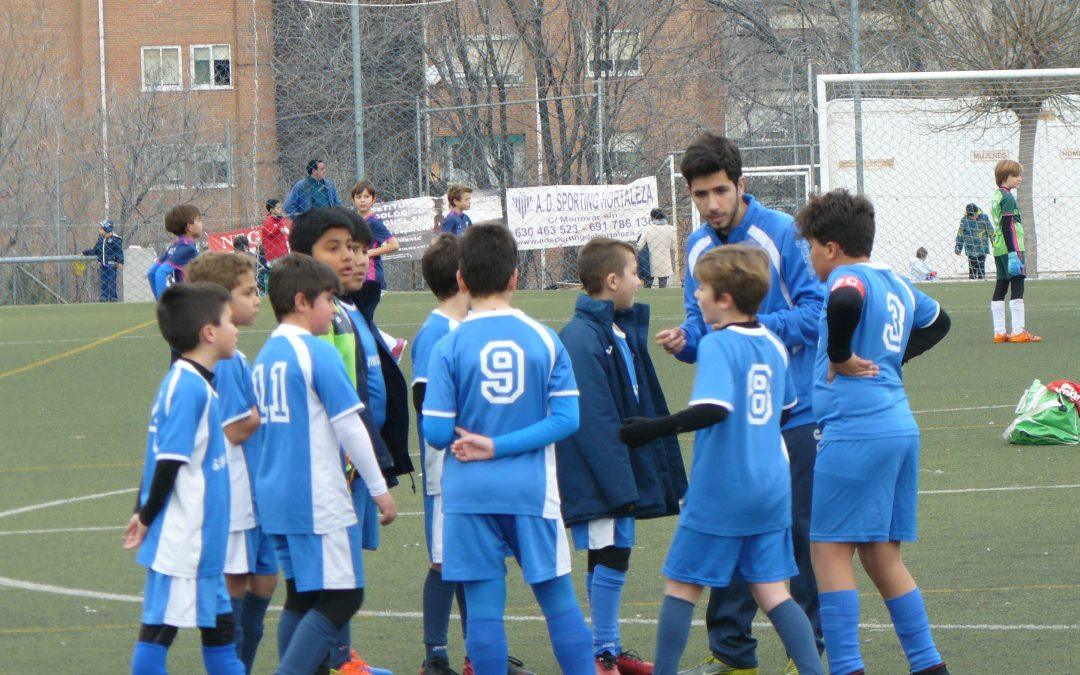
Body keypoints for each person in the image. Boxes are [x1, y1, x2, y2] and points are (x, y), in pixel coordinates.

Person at [654, 133, 824, 675]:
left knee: (797, 533)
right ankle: (731, 652)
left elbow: (817, 312)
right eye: (700, 195)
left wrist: (753, 330)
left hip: (789, 413)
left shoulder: (780, 231)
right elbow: (697, 322)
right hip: (727, 424)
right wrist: (688, 340)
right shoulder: (697, 246)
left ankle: (812, 650)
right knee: (725, 541)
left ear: (741, 183)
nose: (711, 205)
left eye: (720, 191)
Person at [620, 246, 824, 675]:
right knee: (772, 591)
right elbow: (784, 409)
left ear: (725, 298)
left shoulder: (718, 345)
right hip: (771, 486)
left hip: (723, 489)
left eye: (702, 289)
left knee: (681, 587)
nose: (696, 296)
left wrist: (652, 428)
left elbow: (714, 409)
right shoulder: (772, 343)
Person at [422, 225, 594, 675]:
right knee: (558, 600)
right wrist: (501, 445)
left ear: (461, 280)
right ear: (515, 277)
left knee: (483, 610)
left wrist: (479, 439)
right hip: (532, 492)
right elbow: (567, 420)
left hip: (468, 495)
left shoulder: (448, 346)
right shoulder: (543, 338)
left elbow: (437, 433)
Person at [797, 189, 952, 675]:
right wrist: (892, 360)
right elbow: (940, 321)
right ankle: (929, 667)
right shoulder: (898, 282)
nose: (809, 256)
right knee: (882, 559)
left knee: (827, 550)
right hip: (898, 426)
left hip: (856, 430)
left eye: (811, 246)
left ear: (831, 247)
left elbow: (844, 300)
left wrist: (841, 357)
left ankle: (845, 668)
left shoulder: (847, 276)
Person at [253, 253, 397, 675]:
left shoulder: (266, 355)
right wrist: (379, 490)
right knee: (343, 597)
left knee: (302, 595)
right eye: (327, 300)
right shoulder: (316, 353)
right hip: (314, 496)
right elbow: (351, 427)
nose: (333, 309)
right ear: (302, 301)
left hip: (275, 497)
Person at [288, 208, 413, 674]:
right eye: (335, 248)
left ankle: (339, 658)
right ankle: (334, 663)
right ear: (305, 258)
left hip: (360, 464)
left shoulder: (350, 310)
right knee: (336, 578)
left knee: (344, 572)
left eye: (358, 248)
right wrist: (349, 466)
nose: (353, 259)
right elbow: (336, 406)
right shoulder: (326, 322)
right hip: (340, 469)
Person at [556, 237, 687, 674]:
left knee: (614, 547)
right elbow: (592, 418)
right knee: (610, 550)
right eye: (634, 272)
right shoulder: (580, 336)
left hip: (617, 466)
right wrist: (619, 484)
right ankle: (602, 652)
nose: (641, 280)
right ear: (612, 281)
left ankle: (606, 645)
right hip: (598, 471)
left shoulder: (616, 329)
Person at [123, 282, 246, 675]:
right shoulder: (187, 387)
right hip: (184, 539)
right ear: (209, 333)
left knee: (221, 630)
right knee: (159, 631)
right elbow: (167, 462)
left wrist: (141, 507)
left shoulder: (194, 382)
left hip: (204, 539)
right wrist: (146, 516)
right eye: (229, 321)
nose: (236, 329)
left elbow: (160, 455)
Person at [185, 253, 277, 674]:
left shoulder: (232, 355)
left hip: (253, 493)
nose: (258, 300)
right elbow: (237, 427)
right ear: (221, 303)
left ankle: (243, 664)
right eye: (248, 292)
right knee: (234, 593)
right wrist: (262, 414)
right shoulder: (223, 359)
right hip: (234, 495)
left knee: (264, 581)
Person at [989, 160, 1041, 343]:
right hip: (1013, 247)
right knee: (1017, 284)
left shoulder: (997, 195)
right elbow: (1007, 225)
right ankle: (1018, 331)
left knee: (1001, 285)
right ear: (1005, 177)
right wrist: (1013, 252)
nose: (1020, 178)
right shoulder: (1009, 198)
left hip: (999, 248)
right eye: (1016, 175)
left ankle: (999, 332)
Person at [350, 181, 400, 323]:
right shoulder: (353, 220)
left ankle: (387, 344)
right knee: (358, 320)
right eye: (359, 197)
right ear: (353, 199)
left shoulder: (374, 222)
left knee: (364, 320)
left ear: (373, 199)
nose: (362, 200)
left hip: (370, 278)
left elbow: (394, 245)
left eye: (366, 197)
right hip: (357, 276)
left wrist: (368, 253)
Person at [148, 204, 203, 301]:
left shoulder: (174, 246)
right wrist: (164, 303)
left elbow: (151, 273)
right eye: (199, 220)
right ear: (189, 227)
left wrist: (159, 301)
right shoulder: (187, 248)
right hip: (190, 301)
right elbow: (161, 272)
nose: (202, 223)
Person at [83, 218, 125, 302]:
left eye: (101, 229)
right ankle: (103, 296)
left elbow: (119, 251)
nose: (100, 230)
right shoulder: (101, 239)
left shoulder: (115, 239)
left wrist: (120, 261)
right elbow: (96, 250)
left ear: (107, 229)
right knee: (103, 281)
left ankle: (113, 297)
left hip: (111, 265)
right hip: (103, 264)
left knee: (112, 281)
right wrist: (85, 252)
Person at [637, 209, 678, 288]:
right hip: (665, 262)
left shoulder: (648, 229)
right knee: (663, 288)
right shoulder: (672, 229)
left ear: (652, 217)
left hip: (649, 263)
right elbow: (673, 248)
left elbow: (640, 246)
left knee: (647, 287)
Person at [954, 204, 993, 279]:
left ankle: (982, 281)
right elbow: (960, 234)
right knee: (972, 270)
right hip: (970, 249)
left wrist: (994, 243)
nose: (973, 218)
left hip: (982, 248)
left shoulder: (984, 217)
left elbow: (991, 231)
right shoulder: (964, 220)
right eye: (970, 216)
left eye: (974, 215)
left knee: (981, 268)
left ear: (977, 212)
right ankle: (972, 279)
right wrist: (958, 248)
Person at [261, 198, 291, 265]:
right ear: (271, 210)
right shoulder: (268, 221)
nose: (280, 209)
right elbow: (272, 232)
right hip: (274, 256)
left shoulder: (278, 219)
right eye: (278, 208)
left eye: (280, 207)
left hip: (282, 253)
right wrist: (280, 224)